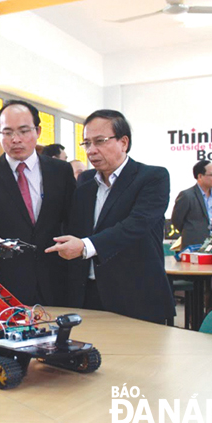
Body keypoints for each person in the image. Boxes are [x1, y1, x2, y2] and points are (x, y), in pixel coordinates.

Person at [45, 109, 175, 323]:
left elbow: (136, 225)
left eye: (100, 141)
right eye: (86, 143)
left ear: (124, 142)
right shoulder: (85, 181)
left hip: (136, 297)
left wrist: (86, 246)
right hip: (87, 296)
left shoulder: (152, 177)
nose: (91, 150)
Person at [0, 100, 76, 306]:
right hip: (10, 281)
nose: (16, 139)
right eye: (8, 132)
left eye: (23, 131)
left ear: (38, 131)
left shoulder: (61, 171)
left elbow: (74, 218)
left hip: (57, 276)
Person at [170, 160, 212, 249]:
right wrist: (191, 231)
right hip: (194, 245)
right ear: (200, 176)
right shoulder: (187, 195)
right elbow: (176, 220)